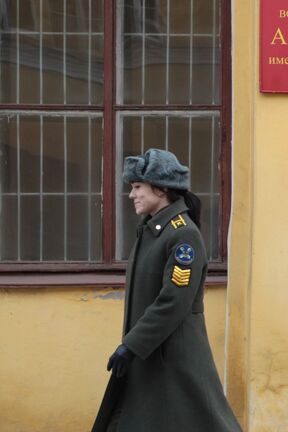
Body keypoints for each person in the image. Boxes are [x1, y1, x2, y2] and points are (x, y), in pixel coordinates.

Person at [92, 149, 242, 432]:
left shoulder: (181, 234)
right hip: (152, 351)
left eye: (137, 187)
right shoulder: (152, 229)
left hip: (172, 356)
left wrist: (131, 345)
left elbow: (173, 301)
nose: (131, 195)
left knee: (198, 421)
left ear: (160, 189)